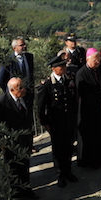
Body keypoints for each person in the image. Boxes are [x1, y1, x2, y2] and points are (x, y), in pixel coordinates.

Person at [0, 78, 37, 200]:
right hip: (11, 143)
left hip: (26, 139)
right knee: (13, 170)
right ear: (12, 90)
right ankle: (15, 196)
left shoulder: (27, 96)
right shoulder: (1, 103)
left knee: (25, 165)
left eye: (24, 87)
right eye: (20, 88)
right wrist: (2, 142)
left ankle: (27, 189)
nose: (24, 90)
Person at [36, 55, 79, 187]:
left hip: (69, 121)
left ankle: (68, 171)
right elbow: (41, 107)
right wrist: (45, 124)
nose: (65, 68)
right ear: (54, 69)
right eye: (62, 66)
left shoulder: (69, 80)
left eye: (65, 65)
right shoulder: (47, 85)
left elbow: (73, 100)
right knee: (58, 150)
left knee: (69, 147)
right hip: (56, 123)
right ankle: (60, 175)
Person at [75, 48, 101, 168]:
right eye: (95, 59)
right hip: (91, 111)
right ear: (88, 59)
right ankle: (95, 161)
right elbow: (85, 94)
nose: (98, 61)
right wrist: (100, 103)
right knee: (93, 137)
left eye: (99, 59)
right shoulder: (81, 74)